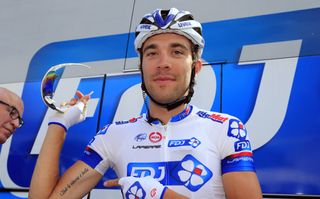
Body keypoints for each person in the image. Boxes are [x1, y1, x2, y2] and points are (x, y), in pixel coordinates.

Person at [29, 8, 262, 199]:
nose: (163, 63)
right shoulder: (113, 135)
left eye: (177, 52)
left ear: (196, 68)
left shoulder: (225, 128)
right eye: (152, 53)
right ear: (141, 68)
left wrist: (161, 195)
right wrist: (58, 125)